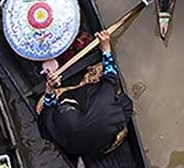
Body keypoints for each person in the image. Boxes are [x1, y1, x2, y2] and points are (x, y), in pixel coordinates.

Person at [36, 29, 132, 159]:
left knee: (43, 105)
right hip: (103, 130)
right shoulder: (102, 101)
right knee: (102, 70)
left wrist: (49, 89)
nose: (63, 101)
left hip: (81, 140)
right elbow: (110, 77)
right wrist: (106, 49)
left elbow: (48, 108)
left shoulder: (52, 126)